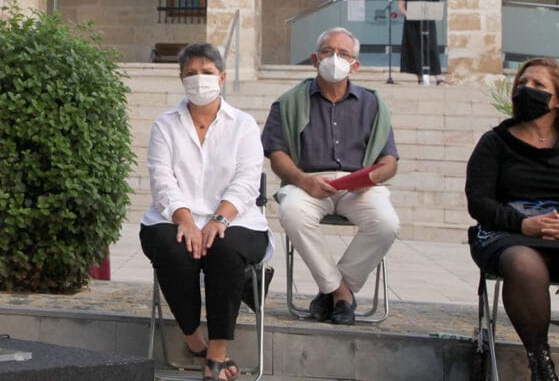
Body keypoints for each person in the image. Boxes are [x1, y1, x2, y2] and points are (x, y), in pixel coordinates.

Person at [139, 43, 270, 381]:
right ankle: (193, 340)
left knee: (224, 250)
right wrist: (184, 219)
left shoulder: (242, 125)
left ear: (222, 77)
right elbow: (162, 178)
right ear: (181, 79)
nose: (199, 80)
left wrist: (218, 220)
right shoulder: (165, 124)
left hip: (236, 219)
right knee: (173, 247)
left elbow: (246, 181)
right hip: (174, 216)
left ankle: (216, 355)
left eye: (207, 73)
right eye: (191, 74)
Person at [262, 27, 400, 326]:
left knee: (386, 223)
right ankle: (341, 294)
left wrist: (371, 177)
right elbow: (277, 155)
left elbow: (390, 160)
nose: (335, 58)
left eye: (344, 53)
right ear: (314, 59)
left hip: (359, 186)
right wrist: (303, 180)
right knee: (293, 214)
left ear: (355, 64)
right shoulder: (287, 102)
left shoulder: (373, 104)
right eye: (327, 51)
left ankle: (334, 292)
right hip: (307, 182)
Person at [466, 58, 559, 381]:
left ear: (558, 99)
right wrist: (523, 224)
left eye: (539, 86)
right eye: (523, 84)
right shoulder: (495, 143)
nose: (527, 90)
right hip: (509, 234)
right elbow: (478, 201)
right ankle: (540, 363)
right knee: (524, 265)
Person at [397, 0, 443, 84]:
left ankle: (437, 76)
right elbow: (401, 5)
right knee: (415, 47)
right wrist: (408, 14)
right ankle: (420, 75)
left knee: (431, 47)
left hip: (428, 22)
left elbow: (436, 3)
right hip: (412, 23)